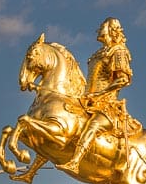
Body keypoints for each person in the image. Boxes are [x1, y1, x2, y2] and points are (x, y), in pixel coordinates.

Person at [58, 17, 141, 174]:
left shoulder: (118, 51)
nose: (98, 30)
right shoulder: (98, 53)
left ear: (111, 29)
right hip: (88, 102)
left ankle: (75, 162)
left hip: (107, 105)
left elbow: (123, 79)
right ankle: (33, 169)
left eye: (102, 27)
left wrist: (99, 94)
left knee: (93, 126)